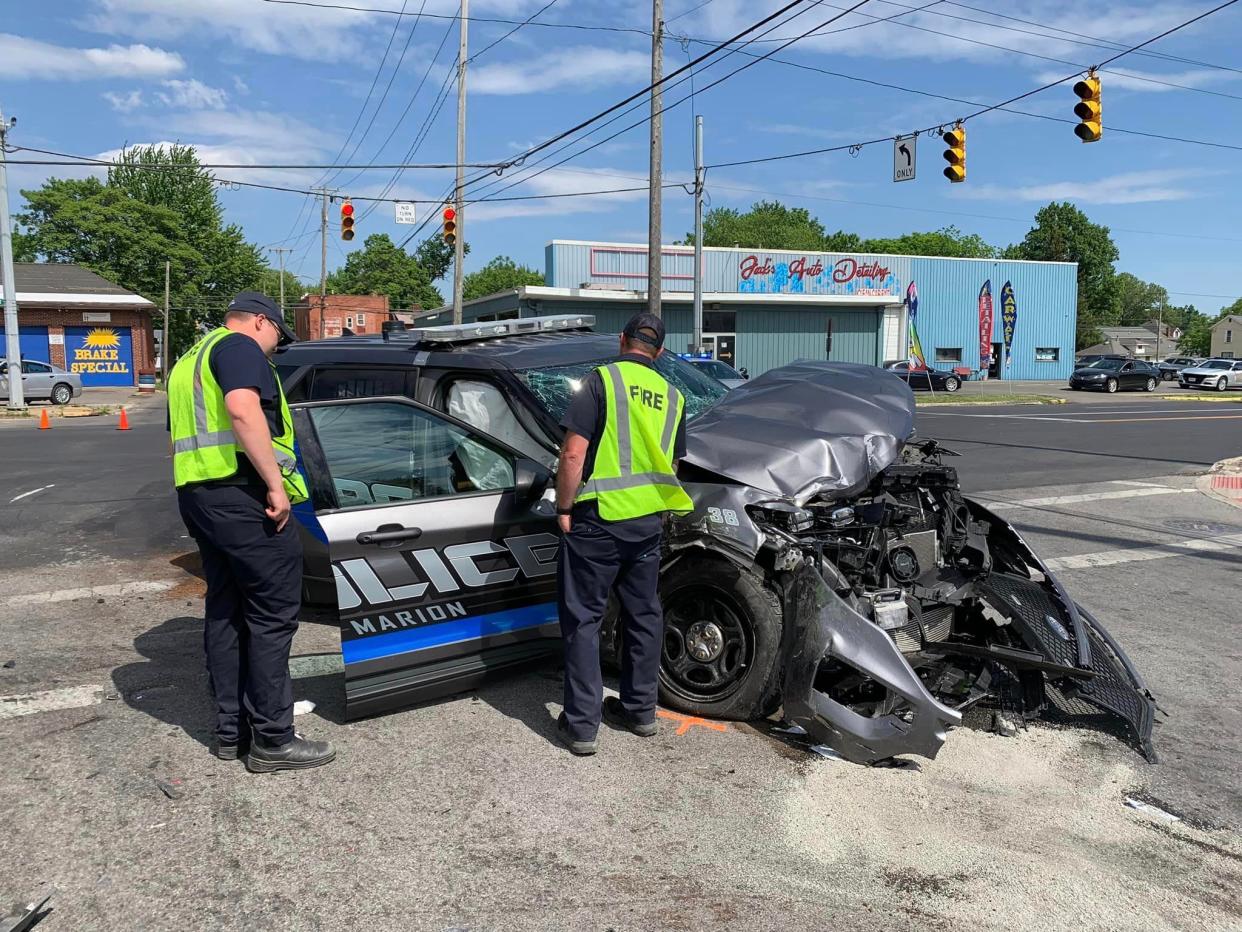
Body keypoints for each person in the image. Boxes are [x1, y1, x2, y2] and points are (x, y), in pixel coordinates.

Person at [167, 292, 335, 773]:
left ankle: (231, 732)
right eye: (277, 339)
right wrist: (276, 486)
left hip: (200, 498)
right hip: (244, 499)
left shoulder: (188, 360)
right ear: (260, 322)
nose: (275, 350)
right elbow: (243, 411)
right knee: (272, 616)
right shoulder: (239, 348)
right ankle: (274, 740)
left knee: (226, 609)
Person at [554, 312, 694, 755]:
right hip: (648, 523)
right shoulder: (673, 396)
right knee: (644, 615)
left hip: (598, 520)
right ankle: (639, 711)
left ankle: (581, 726)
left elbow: (573, 455)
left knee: (584, 620)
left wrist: (563, 508)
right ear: (661, 352)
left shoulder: (599, 382)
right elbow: (671, 466)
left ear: (622, 340)